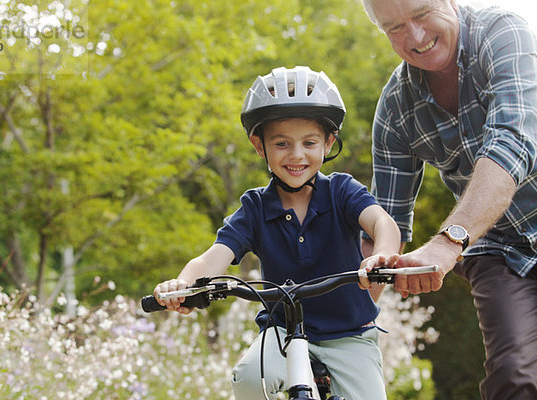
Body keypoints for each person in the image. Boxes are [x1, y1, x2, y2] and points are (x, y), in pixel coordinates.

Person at [153, 66, 400, 400]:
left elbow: (382, 223)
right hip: (282, 331)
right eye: (282, 143)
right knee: (250, 382)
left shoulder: (341, 191)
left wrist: (381, 257)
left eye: (309, 142)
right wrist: (183, 284)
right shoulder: (255, 207)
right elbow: (216, 256)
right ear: (259, 146)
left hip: (349, 334)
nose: (296, 155)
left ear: (328, 143)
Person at [358, 0, 537, 398]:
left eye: (422, 14)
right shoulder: (396, 109)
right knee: (515, 375)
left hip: (467, 236)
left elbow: (513, 141)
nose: (416, 37)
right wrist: (344, 324)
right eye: (396, 28)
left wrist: (448, 241)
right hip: (499, 249)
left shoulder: (502, 33)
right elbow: (384, 222)